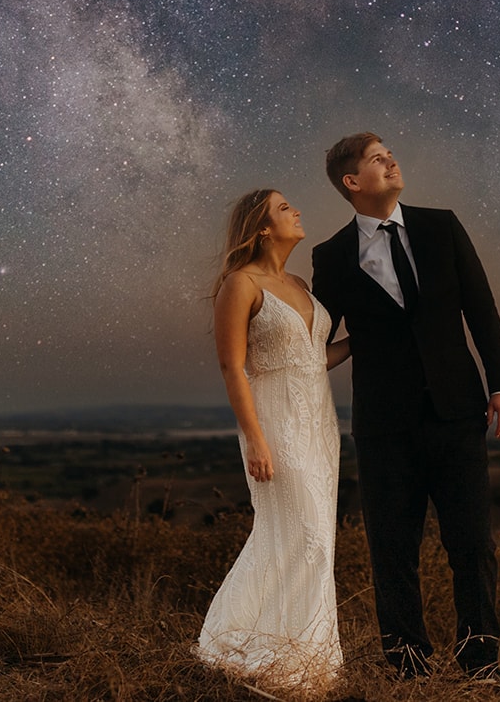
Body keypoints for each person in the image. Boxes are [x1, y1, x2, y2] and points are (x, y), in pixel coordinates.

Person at [311, 133, 500, 687]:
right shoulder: (331, 257)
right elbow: (316, 338)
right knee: (393, 551)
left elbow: (481, 306)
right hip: (383, 426)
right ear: (352, 182)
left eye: (390, 152)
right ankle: (407, 669)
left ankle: (482, 664)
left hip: (457, 412)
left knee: (472, 544)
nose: (391, 159)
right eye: (377, 158)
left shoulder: (441, 226)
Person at [196, 189, 350, 695]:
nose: (297, 211)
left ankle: (308, 658)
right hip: (275, 426)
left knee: (316, 541)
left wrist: (372, 337)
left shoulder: (300, 284)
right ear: (261, 227)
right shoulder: (240, 284)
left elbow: (313, 359)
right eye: (285, 208)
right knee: (300, 536)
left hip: (320, 427)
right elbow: (230, 366)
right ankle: (239, 646)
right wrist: (255, 439)